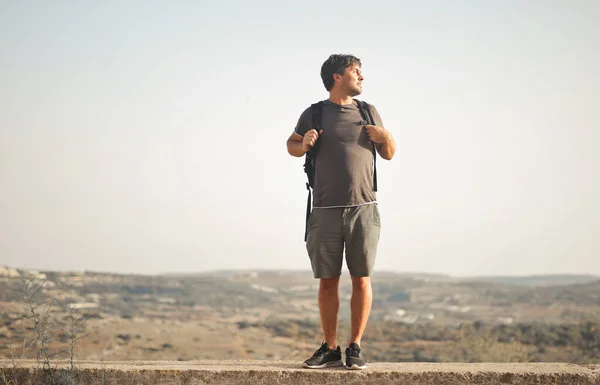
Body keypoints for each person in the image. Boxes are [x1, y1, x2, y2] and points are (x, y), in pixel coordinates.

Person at [286, 54, 396, 370]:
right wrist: (303, 143)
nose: (361, 76)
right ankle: (330, 348)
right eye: (355, 71)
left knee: (362, 279)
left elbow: (388, 154)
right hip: (324, 210)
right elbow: (291, 145)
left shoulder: (368, 111)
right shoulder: (315, 113)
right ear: (337, 77)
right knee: (327, 280)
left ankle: (355, 347)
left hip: (364, 209)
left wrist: (386, 137)